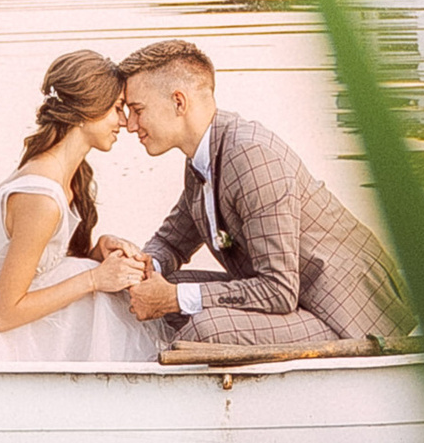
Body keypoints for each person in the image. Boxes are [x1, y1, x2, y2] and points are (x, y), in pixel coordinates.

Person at [114, 38, 405, 356]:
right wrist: (142, 268)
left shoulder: (251, 156)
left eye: (137, 110)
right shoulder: (203, 157)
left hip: (345, 316)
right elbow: (171, 242)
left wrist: (173, 297)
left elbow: (278, 290)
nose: (130, 125)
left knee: (204, 329)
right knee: (164, 294)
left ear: (179, 102)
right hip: (294, 300)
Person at [0, 50, 167, 363]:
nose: (124, 121)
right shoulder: (41, 197)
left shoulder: (68, 173)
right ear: (85, 111)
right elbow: (4, 314)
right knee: (88, 282)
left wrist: (98, 251)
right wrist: (95, 278)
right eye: (118, 108)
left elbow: (44, 264)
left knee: (85, 271)